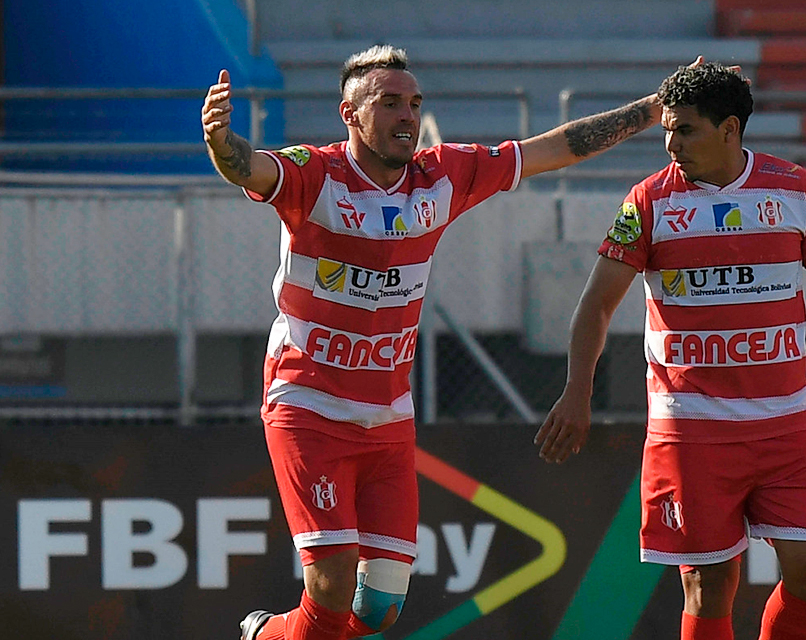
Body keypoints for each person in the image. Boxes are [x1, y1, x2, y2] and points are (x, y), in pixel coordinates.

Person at [201, 44, 679, 640]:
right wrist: (222, 143)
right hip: (308, 406)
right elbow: (252, 168)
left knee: (378, 610)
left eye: (415, 103)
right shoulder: (315, 175)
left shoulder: (443, 174)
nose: (407, 114)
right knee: (328, 583)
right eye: (390, 102)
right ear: (349, 113)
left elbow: (553, 148)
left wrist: (653, 108)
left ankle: (264, 635)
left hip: (388, 417)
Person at [534, 62, 806, 640]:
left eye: (685, 130)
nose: (671, 144)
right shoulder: (648, 202)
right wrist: (577, 392)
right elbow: (597, 304)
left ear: (730, 129)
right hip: (691, 427)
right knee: (708, 585)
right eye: (667, 132)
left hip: (784, 423)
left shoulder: (794, 189)